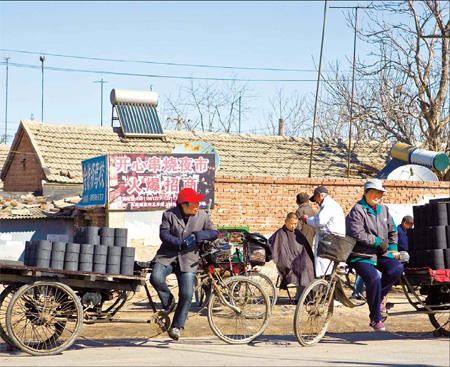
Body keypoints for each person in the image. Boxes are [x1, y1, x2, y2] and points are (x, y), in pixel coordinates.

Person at [150, 188, 218, 341]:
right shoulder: (169, 215)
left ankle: (176, 326)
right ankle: (168, 303)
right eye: (194, 203)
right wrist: (179, 243)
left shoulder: (202, 216)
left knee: (187, 294)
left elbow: (214, 232)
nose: (198, 205)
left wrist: (197, 236)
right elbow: (164, 234)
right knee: (156, 277)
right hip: (167, 255)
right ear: (183, 204)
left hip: (189, 259)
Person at [346, 178, 404, 331]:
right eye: (375, 192)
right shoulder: (357, 210)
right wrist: (378, 242)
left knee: (397, 268)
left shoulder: (383, 209)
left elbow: (392, 230)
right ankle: (375, 318)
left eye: (380, 193)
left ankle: (377, 299)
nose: (378, 196)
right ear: (365, 193)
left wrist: (393, 248)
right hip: (360, 255)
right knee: (373, 278)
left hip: (380, 254)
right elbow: (357, 233)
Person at [299, 186, 346, 278]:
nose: (316, 202)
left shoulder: (328, 205)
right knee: (329, 274)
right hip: (331, 241)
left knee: (327, 273)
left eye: (315, 199)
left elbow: (319, 221)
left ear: (319, 195)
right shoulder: (329, 205)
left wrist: (307, 219)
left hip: (329, 243)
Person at [270, 212, 315, 302]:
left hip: (300, 259)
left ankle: (306, 296)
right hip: (287, 262)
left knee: (309, 266)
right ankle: (301, 297)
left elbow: (305, 249)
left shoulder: (297, 233)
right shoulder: (280, 233)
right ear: (285, 221)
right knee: (302, 269)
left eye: (295, 224)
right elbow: (277, 251)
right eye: (291, 223)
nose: (293, 226)